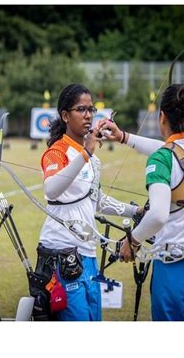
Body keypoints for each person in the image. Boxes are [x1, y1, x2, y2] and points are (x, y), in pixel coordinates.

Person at [100, 83, 184, 321]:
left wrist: (133, 241)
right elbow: (169, 149)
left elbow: (158, 215)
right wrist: (124, 137)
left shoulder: (163, 158)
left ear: (162, 117)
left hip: (179, 270)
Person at [35, 83, 142, 321]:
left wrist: (135, 210)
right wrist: (86, 153)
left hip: (87, 254)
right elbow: (51, 189)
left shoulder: (91, 159)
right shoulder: (57, 152)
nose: (88, 115)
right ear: (65, 115)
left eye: (90, 109)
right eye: (80, 109)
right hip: (61, 253)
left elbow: (97, 200)